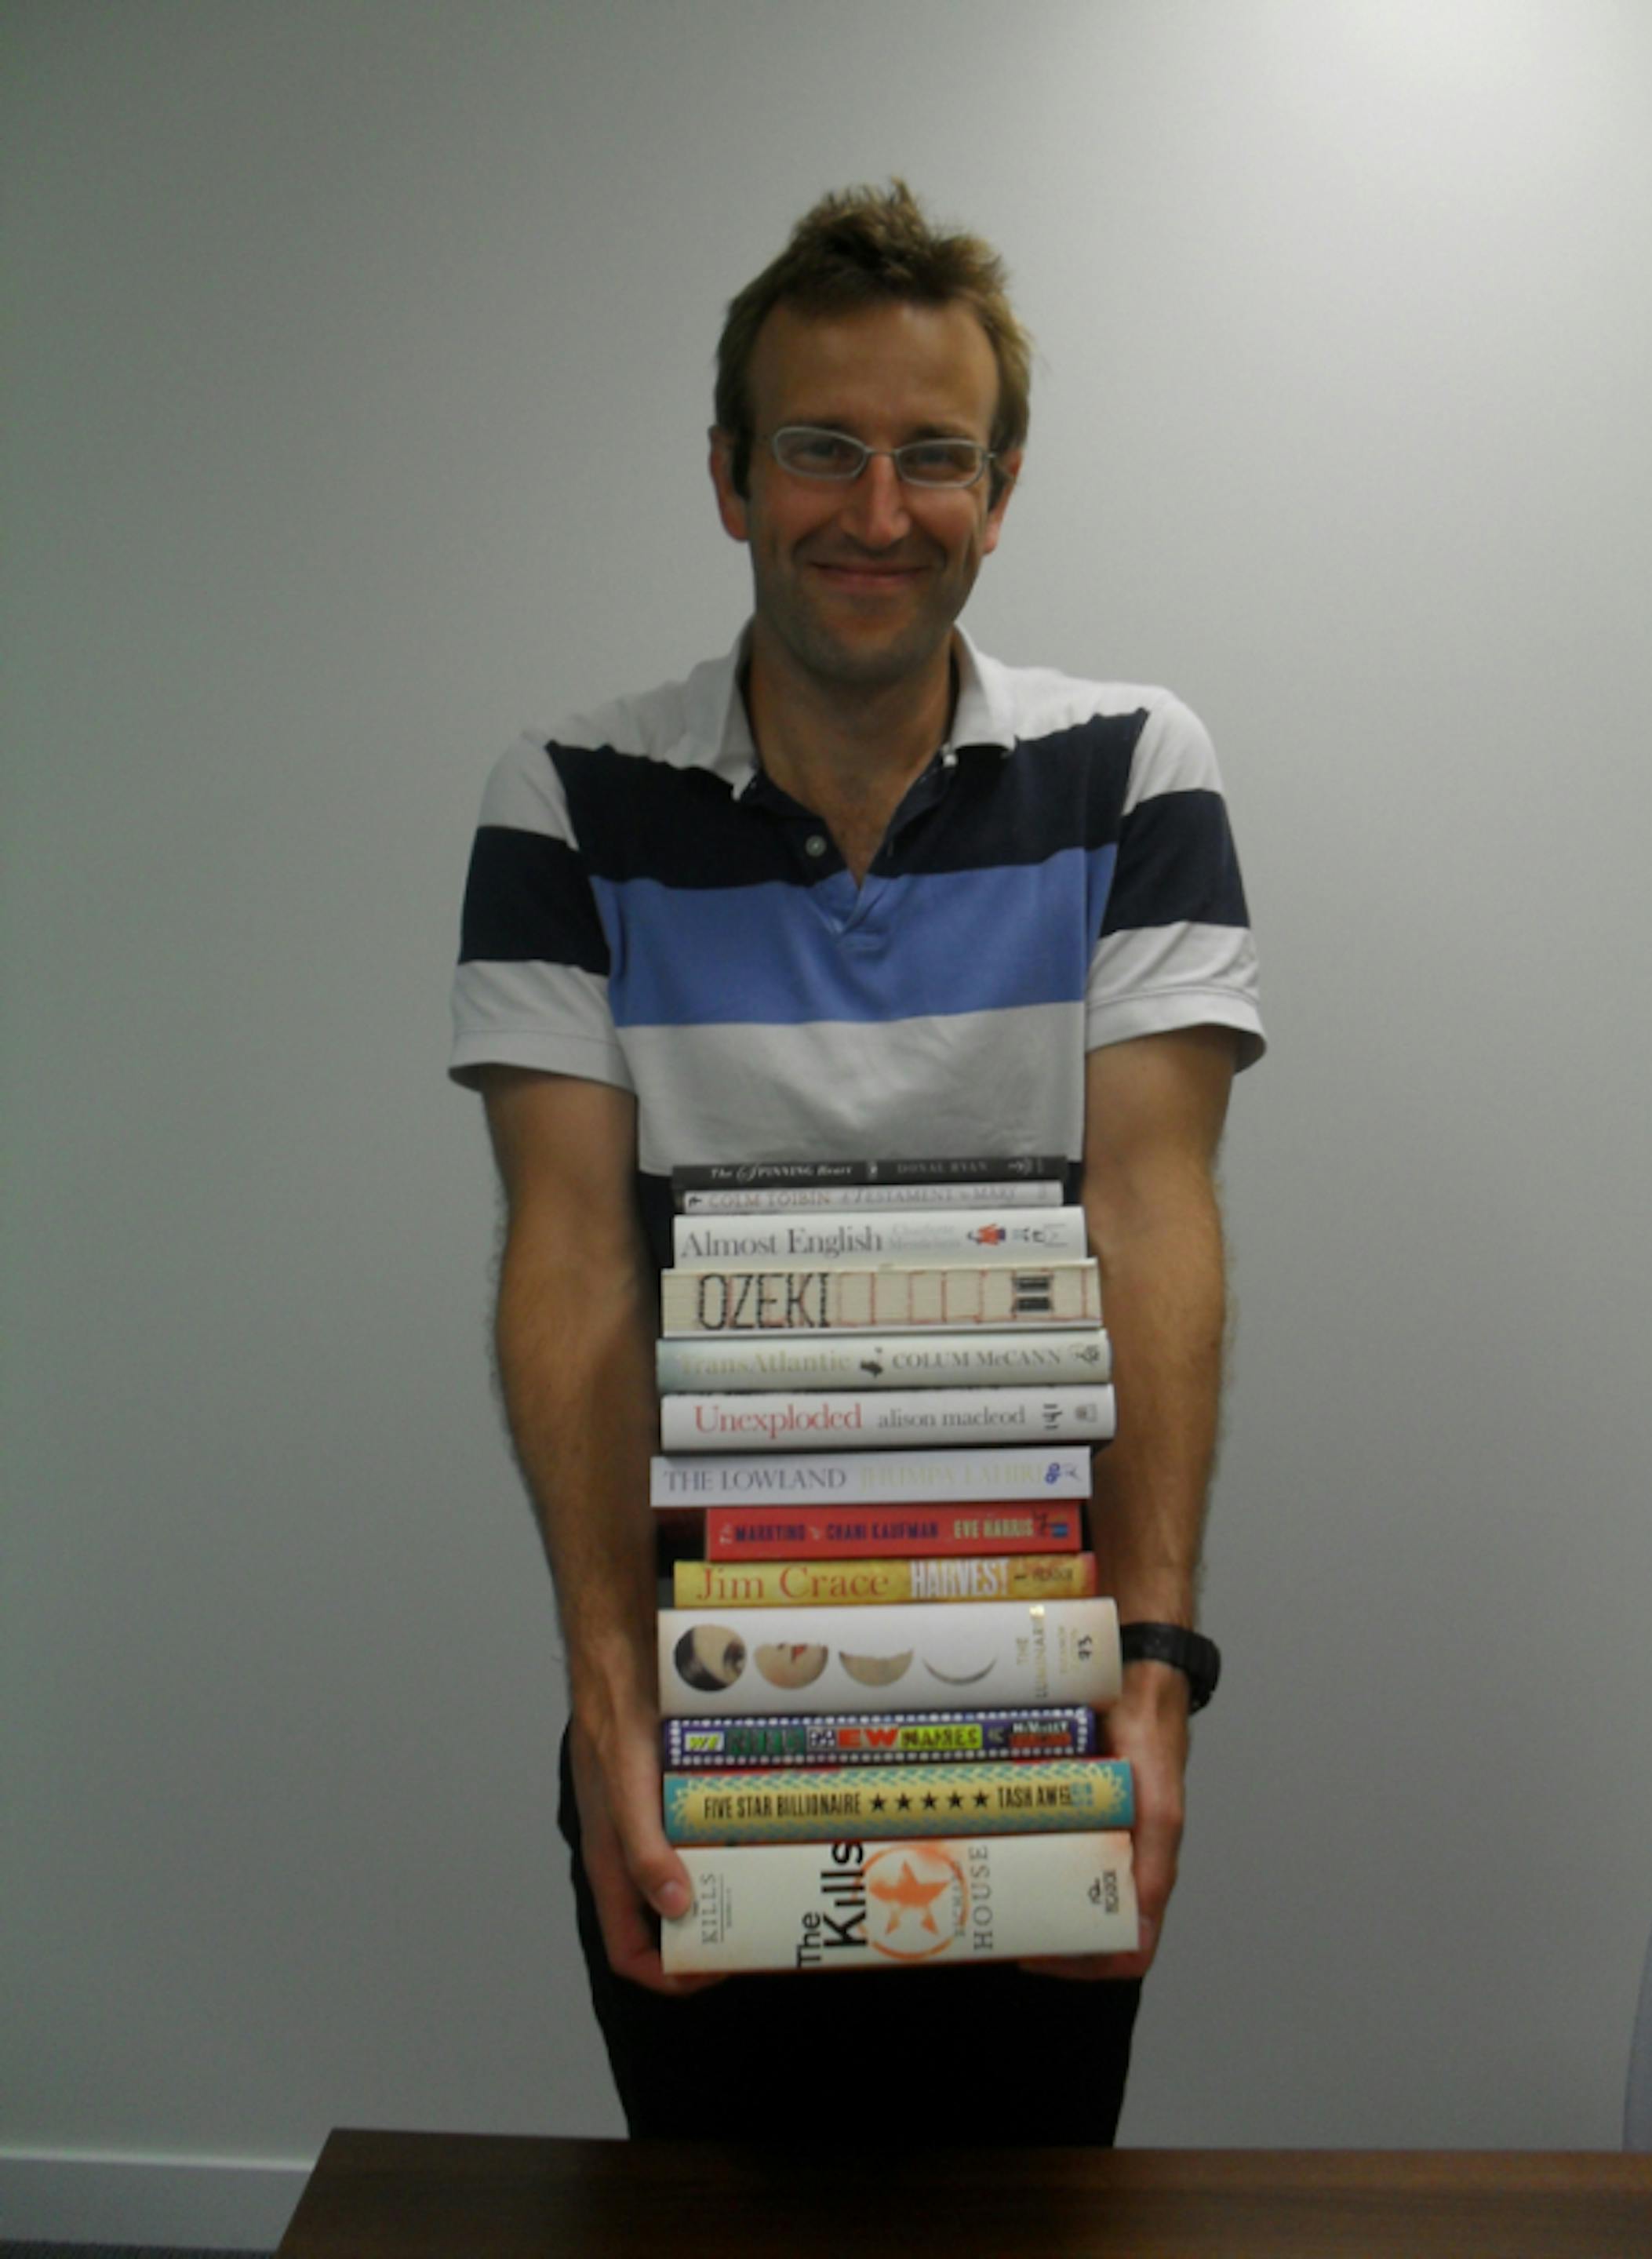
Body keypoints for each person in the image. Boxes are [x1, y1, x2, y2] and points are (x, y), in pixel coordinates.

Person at [450, 180, 1264, 2144]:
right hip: (703, 1665)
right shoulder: (568, 801)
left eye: (934, 458)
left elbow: (1153, 1214)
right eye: (820, 449)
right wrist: (610, 1694)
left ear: (1001, 490)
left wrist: (1150, 1678)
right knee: (715, 2202)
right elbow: (572, 1257)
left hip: (1042, 1671)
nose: (876, 512)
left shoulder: (1137, 769)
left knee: (1023, 2211)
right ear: (729, 476)